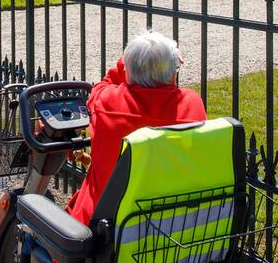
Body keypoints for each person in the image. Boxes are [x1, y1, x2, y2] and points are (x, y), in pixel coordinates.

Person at [64, 30, 207, 226]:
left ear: (128, 70)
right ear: (174, 71)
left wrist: (129, 61)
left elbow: (103, 84)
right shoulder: (192, 104)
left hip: (105, 227)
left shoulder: (107, 102)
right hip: (174, 224)